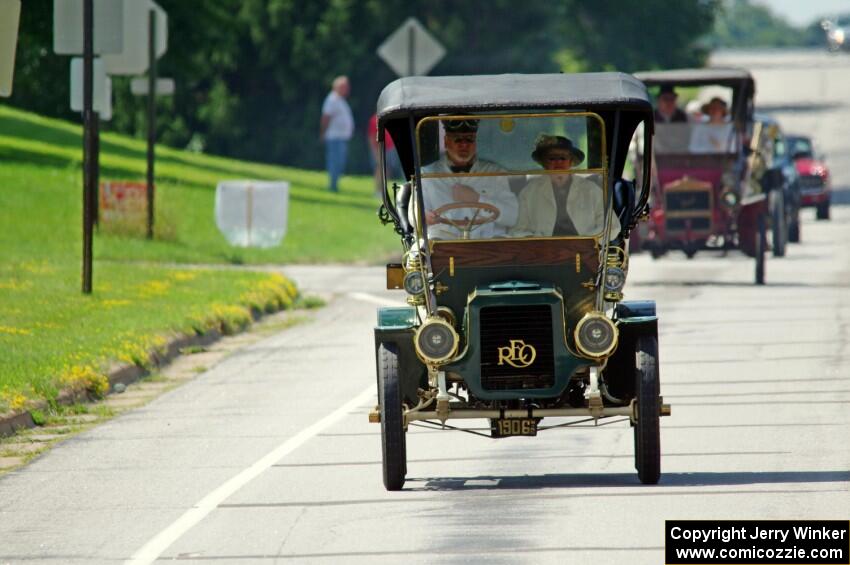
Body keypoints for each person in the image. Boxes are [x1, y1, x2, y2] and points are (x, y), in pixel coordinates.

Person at [419, 119, 518, 239]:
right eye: (458, 139)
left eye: (469, 139)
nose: (464, 145)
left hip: (488, 246)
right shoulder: (427, 173)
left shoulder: (494, 173)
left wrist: (477, 199)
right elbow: (415, 212)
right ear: (446, 142)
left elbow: (512, 216)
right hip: (444, 246)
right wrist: (424, 216)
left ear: (475, 143)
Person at [511, 134, 619, 238]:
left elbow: (612, 227)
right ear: (544, 163)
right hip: (543, 254)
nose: (558, 162)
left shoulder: (591, 190)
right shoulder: (529, 192)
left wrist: (587, 242)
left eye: (563, 158)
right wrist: (538, 244)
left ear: (571, 161)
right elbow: (519, 230)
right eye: (552, 158)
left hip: (583, 254)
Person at [319, 76, 354, 192]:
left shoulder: (339, 100)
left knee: (339, 162)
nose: (347, 89)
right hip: (334, 137)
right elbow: (325, 118)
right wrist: (323, 133)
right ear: (338, 87)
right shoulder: (332, 100)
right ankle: (332, 186)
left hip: (340, 137)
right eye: (345, 87)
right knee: (335, 162)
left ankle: (334, 184)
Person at [367, 113, 403, 197]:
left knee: (388, 169)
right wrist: (374, 151)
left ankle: (383, 190)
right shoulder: (374, 119)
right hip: (379, 148)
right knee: (379, 169)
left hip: (390, 148)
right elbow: (371, 137)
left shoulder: (390, 118)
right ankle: (378, 190)